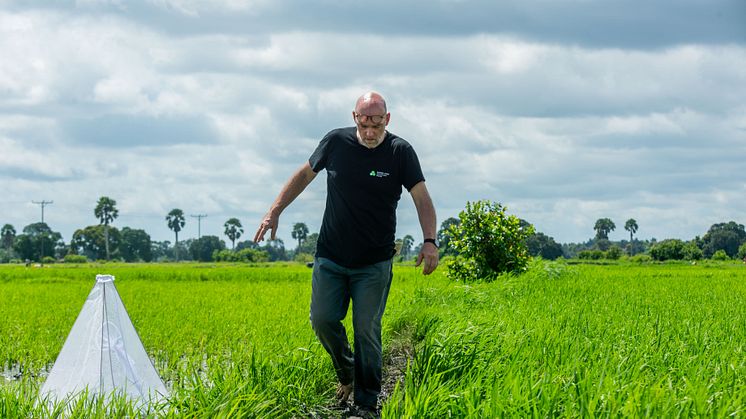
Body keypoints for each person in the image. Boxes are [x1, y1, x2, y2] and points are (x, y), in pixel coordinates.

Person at [254, 91, 439, 415]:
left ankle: (367, 405)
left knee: (366, 329)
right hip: (331, 256)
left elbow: (422, 198)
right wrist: (275, 210)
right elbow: (304, 175)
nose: (370, 132)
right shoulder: (335, 143)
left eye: (377, 125)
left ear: (388, 120)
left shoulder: (400, 152)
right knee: (323, 320)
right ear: (355, 118)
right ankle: (347, 372)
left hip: (374, 262)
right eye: (365, 123)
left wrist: (429, 241)